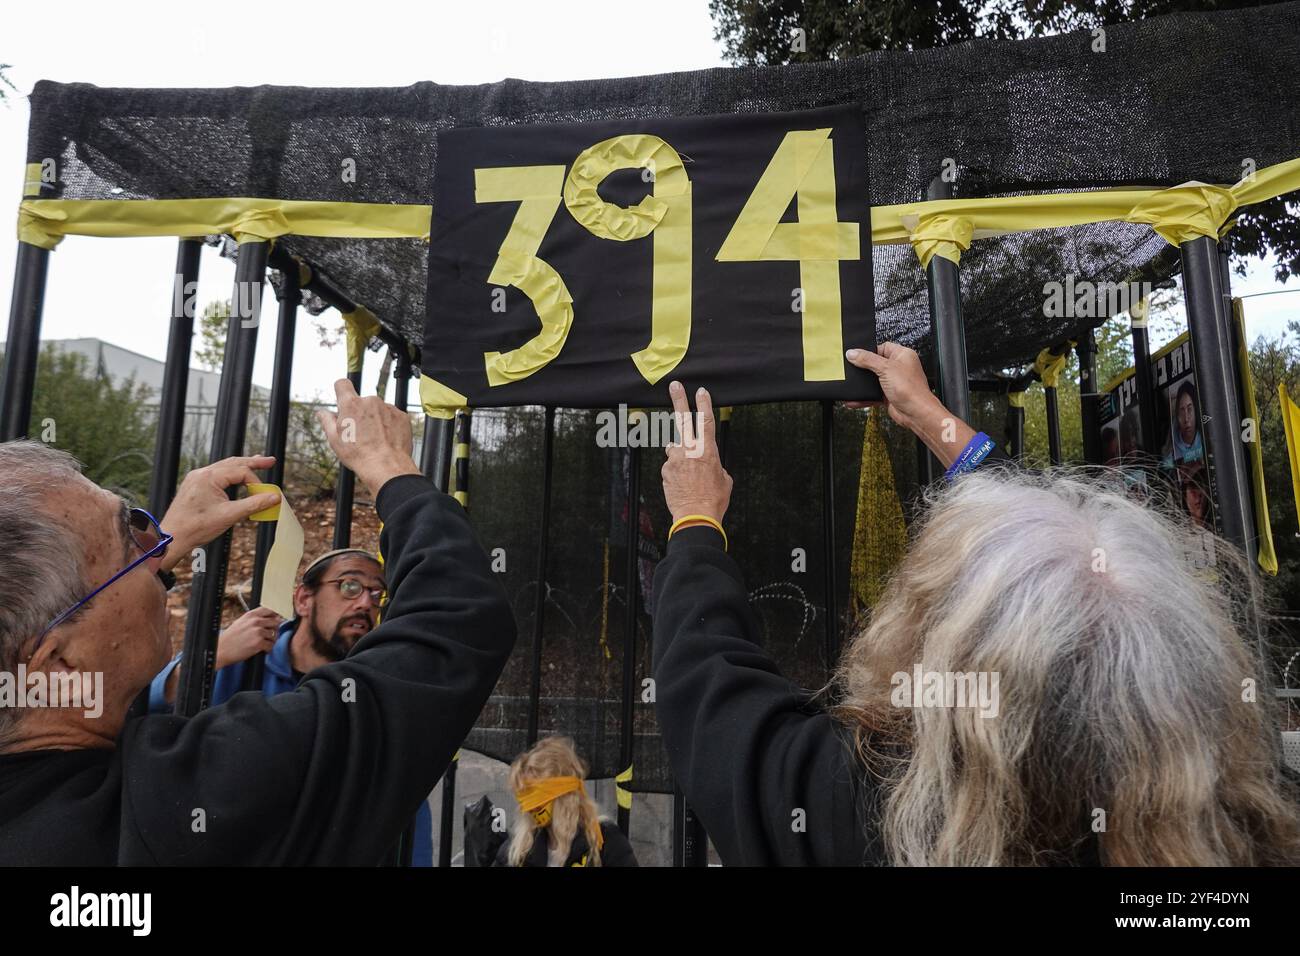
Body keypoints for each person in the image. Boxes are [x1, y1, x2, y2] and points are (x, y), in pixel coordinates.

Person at [651, 342, 1300, 866]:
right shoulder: (1241, 822)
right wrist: (932, 418)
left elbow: (711, 697)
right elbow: (1043, 553)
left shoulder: (880, 819)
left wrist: (696, 516)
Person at [0, 380, 516, 864]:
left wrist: (165, 542)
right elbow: (459, 620)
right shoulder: (186, 805)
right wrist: (389, 466)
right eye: (130, 538)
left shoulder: (39, 744)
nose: (156, 553)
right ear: (61, 665)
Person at [146, 547, 436, 866]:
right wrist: (210, 657)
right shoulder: (241, 662)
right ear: (303, 600)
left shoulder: (375, 689)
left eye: (376, 593)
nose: (366, 603)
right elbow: (145, 712)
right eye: (349, 586)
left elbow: (407, 803)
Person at [494, 736, 637, 867]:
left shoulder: (606, 842)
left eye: (536, 797)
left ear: (564, 794)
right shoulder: (518, 850)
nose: (529, 808)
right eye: (524, 798)